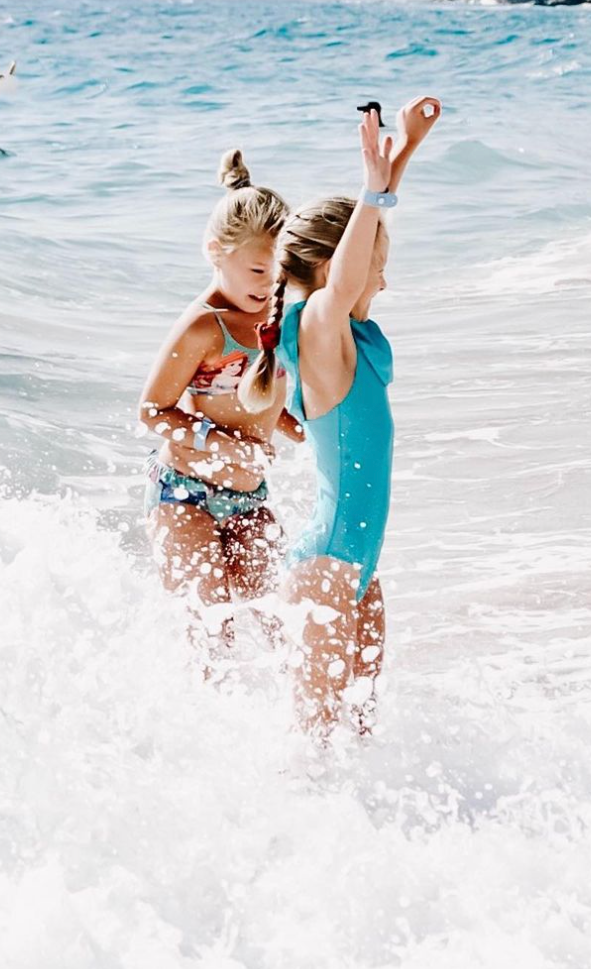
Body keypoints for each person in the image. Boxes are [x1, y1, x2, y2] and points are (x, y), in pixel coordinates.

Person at [240, 96, 442, 738]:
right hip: (327, 571)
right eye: (375, 271)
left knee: (357, 735)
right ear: (335, 272)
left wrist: (404, 152)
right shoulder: (320, 334)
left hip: (355, 572)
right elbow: (350, 269)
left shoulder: (343, 336)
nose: (382, 284)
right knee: (315, 742)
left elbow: (359, 251)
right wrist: (371, 190)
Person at [138, 150, 304, 647]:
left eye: (280, 275)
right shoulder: (203, 328)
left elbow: (256, 399)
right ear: (216, 252)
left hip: (250, 497)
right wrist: (223, 446)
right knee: (213, 636)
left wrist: (307, 431)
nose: (270, 286)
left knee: (282, 628)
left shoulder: (275, 318)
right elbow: (151, 411)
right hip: (183, 493)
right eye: (258, 271)